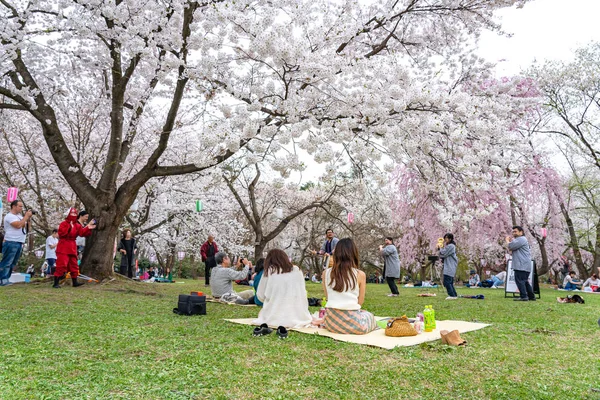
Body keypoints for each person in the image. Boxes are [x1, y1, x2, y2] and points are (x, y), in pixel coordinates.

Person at [321, 238, 377, 335]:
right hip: (356, 325)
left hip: (331, 323)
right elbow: (360, 302)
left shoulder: (325, 273)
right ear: (354, 254)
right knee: (370, 316)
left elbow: (328, 297)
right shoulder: (360, 274)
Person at [254, 250, 312, 328]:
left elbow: (260, 295)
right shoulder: (297, 270)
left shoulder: (270, 271)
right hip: (298, 314)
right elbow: (303, 292)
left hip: (274, 315)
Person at [53, 208, 96, 288]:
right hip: (63, 245)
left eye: (75, 214)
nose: (73, 216)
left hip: (72, 245)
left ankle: (75, 282)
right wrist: (69, 227)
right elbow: (62, 233)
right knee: (62, 264)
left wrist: (88, 227)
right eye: (72, 214)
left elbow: (81, 233)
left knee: (74, 265)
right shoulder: (64, 224)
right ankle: (56, 282)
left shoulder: (76, 225)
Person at [0, 201, 33, 286]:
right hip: (11, 241)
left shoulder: (19, 216)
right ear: (14, 206)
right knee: (7, 261)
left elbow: (27, 229)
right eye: (20, 206)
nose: (21, 208)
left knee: (13, 262)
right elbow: (17, 225)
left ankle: (7, 278)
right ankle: (2, 279)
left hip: (19, 242)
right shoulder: (9, 216)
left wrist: (28, 219)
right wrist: (26, 216)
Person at [506, 225, 535, 301]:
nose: (513, 233)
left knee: (520, 280)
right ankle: (531, 296)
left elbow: (511, 246)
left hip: (521, 264)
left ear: (521, 232)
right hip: (524, 264)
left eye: (515, 231)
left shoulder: (521, 239)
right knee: (524, 281)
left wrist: (507, 241)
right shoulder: (521, 240)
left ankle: (523, 296)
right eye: (513, 232)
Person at [438, 233, 458, 300]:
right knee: (450, 281)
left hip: (450, 266)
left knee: (446, 281)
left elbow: (444, 253)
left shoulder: (451, 246)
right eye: (445, 238)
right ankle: (454, 294)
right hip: (450, 266)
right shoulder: (450, 246)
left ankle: (451, 295)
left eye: (446, 238)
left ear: (450, 238)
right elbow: (442, 254)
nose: (445, 239)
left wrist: (440, 247)